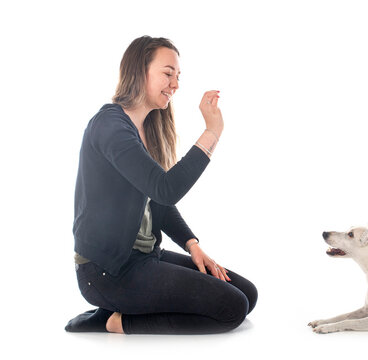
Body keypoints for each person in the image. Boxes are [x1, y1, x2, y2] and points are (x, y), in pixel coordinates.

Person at [65, 36, 257, 334]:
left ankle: (126, 308)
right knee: (232, 308)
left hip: (143, 258)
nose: (175, 84)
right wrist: (212, 132)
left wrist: (192, 245)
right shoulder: (110, 126)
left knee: (247, 294)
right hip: (107, 272)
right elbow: (166, 188)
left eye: (178, 77)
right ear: (139, 71)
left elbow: (157, 201)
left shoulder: (144, 129)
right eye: (168, 73)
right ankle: (115, 321)